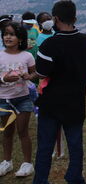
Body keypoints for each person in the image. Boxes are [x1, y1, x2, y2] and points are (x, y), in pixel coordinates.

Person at [32, 0, 86, 184]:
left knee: (45, 146)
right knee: (75, 144)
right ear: (74, 18)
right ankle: (75, 177)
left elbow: (42, 73)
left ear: (55, 19)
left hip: (51, 104)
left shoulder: (49, 45)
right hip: (75, 103)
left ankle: (41, 180)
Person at [0, 22, 37, 177]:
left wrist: (29, 76)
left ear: (20, 38)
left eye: (12, 34)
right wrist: (4, 79)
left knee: (23, 131)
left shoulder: (27, 56)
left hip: (23, 98)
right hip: (4, 100)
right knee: (7, 132)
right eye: (6, 34)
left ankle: (27, 164)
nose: (8, 37)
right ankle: (7, 162)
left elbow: (34, 74)